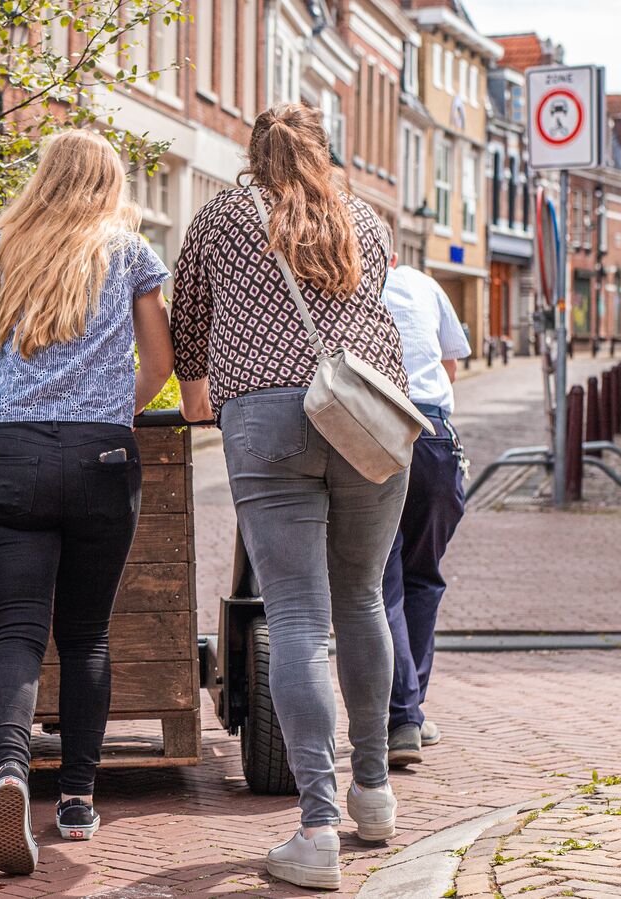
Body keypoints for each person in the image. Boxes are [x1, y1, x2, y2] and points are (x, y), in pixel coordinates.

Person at [171, 104, 408, 890]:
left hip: (267, 416)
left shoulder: (221, 215)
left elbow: (189, 336)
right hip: (367, 415)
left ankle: (316, 829)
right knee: (363, 600)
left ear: (252, 153)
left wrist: (204, 398)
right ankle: (373, 795)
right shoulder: (363, 218)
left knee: (299, 619)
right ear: (324, 152)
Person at [0, 129, 174, 876]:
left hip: (11, 454)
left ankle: (9, 771)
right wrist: (120, 407)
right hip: (101, 455)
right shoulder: (131, 252)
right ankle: (76, 799)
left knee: (15, 632)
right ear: (109, 182)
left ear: (43, 176)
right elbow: (161, 359)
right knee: (87, 636)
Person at [378, 261, 469, 768]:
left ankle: (402, 716)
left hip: (373, 433)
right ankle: (411, 711)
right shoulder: (425, 284)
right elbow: (451, 365)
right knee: (423, 578)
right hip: (434, 437)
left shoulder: (337, 276)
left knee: (380, 584)